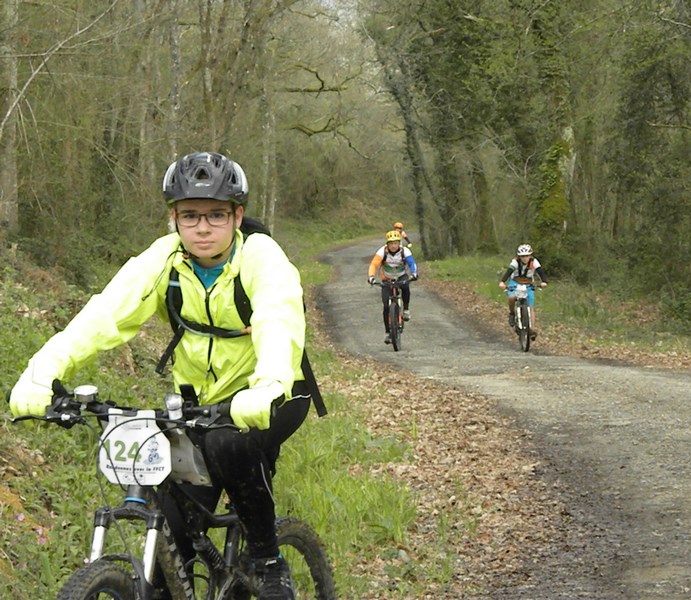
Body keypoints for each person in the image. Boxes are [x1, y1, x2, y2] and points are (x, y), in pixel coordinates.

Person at [9, 151, 307, 600]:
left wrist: (266, 385)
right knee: (174, 528)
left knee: (229, 442)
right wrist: (42, 371)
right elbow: (104, 314)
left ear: (237, 216)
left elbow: (278, 319)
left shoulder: (261, 256)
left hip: (274, 391)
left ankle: (266, 558)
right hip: (198, 401)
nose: (202, 227)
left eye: (215, 215)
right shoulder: (165, 260)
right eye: (190, 216)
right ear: (174, 218)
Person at [368, 230, 418, 344]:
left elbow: (411, 263)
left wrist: (414, 273)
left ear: (399, 243)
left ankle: (405, 309)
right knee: (386, 306)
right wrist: (371, 276)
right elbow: (374, 264)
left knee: (405, 286)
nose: (393, 246)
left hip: (401, 276)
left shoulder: (405, 251)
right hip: (387, 279)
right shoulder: (382, 252)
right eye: (391, 243)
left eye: (395, 243)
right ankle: (388, 333)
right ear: (387, 244)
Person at [499, 243, 548, 337]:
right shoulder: (515, 262)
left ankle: (532, 329)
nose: (524, 258)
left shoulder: (534, 262)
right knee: (512, 297)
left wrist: (544, 281)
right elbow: (508, 272)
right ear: (519, 257)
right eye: (522, 256)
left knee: (530, 305)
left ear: (530, 255)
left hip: (528, 283)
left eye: (526, 256)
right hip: (515, 282)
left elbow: (541, 272)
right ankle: (512, 314)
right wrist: (502, 282)